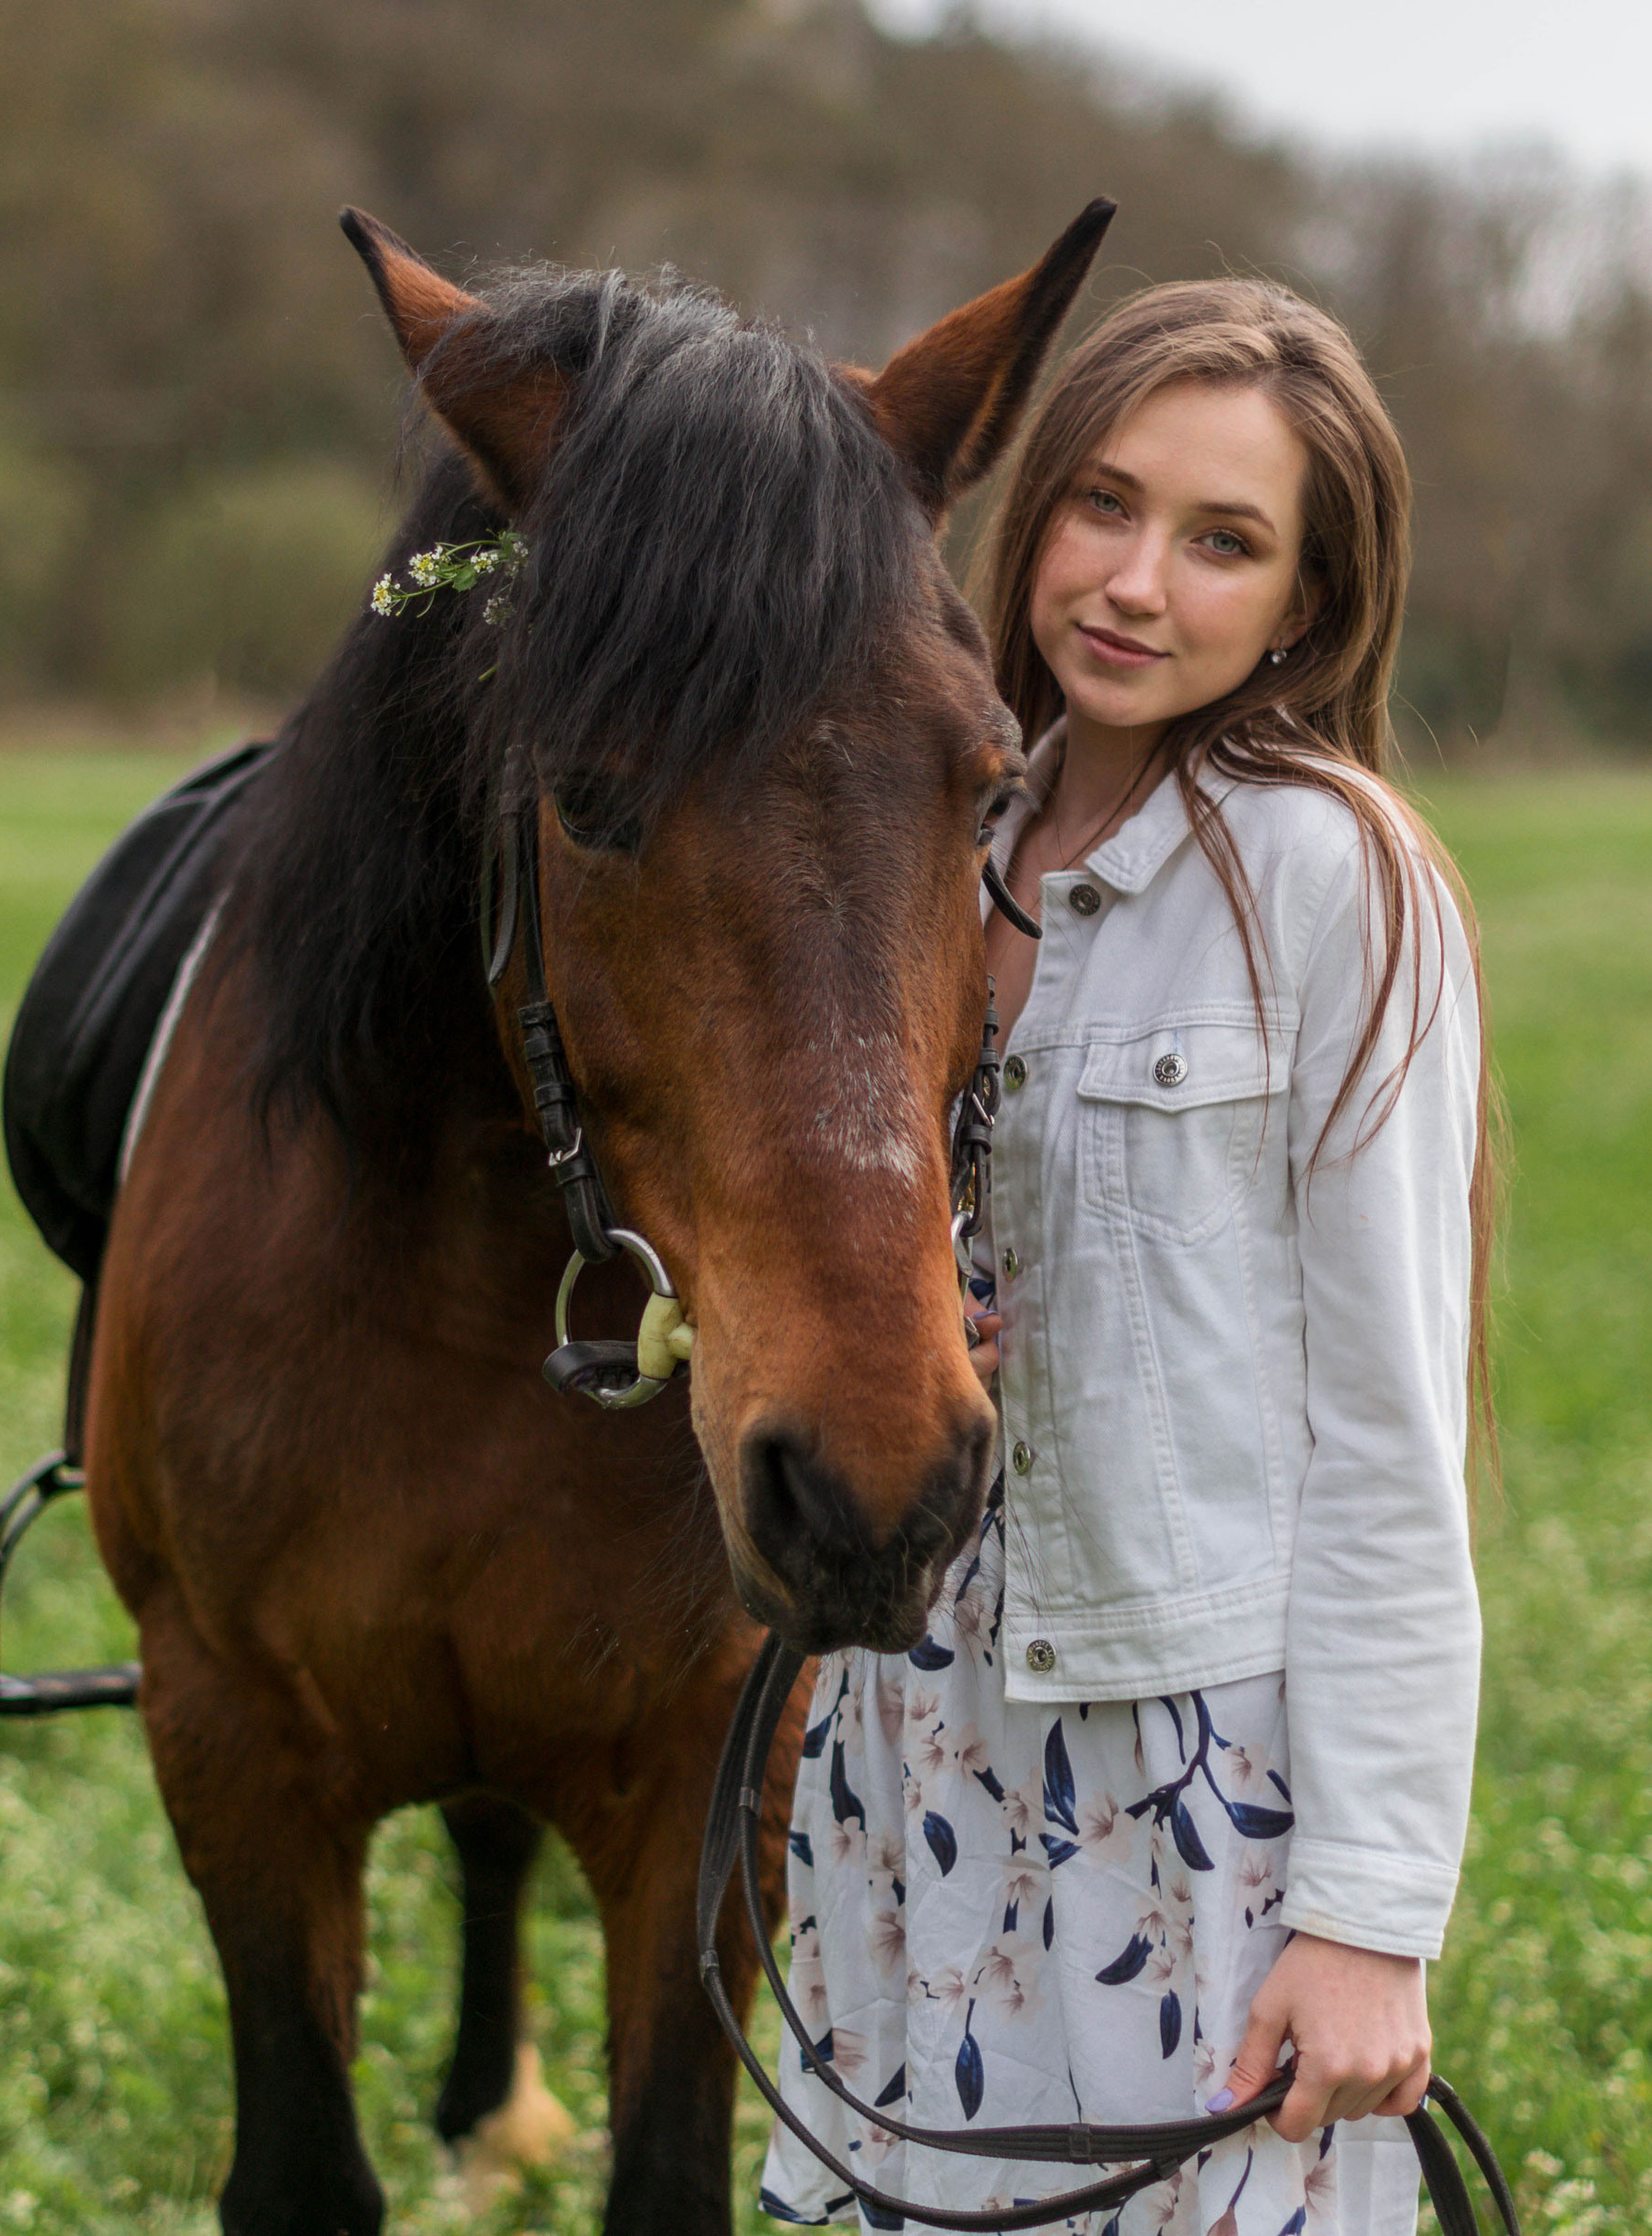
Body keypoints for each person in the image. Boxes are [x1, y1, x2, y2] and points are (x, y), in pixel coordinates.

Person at [759, 279, 1494, 2236]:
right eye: (1103, 502)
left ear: (1308, 607)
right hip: (907, 1722)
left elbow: (1392, 1439)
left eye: (1223, 540)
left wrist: (1367, 1912)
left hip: (1182, 1759)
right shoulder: (924, 828)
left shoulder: (1333, 880)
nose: (1136, 582)